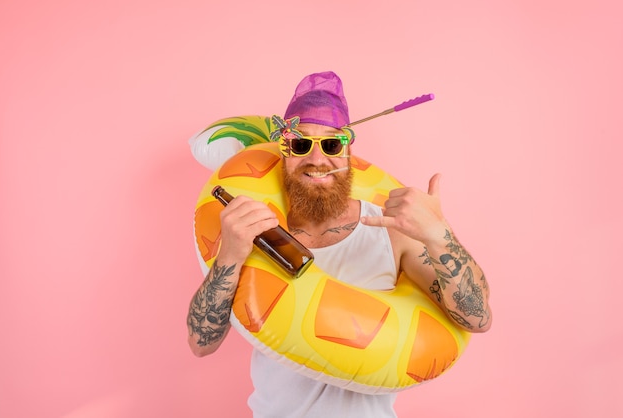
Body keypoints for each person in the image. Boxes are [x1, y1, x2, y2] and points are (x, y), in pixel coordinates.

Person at [186, 71, 492, 417]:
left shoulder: (392, 231)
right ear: (282, 152)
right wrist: (230, 253)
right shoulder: (257, 230)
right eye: (300, 145)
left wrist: (440, 234)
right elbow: (201, 344)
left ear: (348, 153)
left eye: (331, 145)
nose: (317, 160)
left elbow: (478, 319)